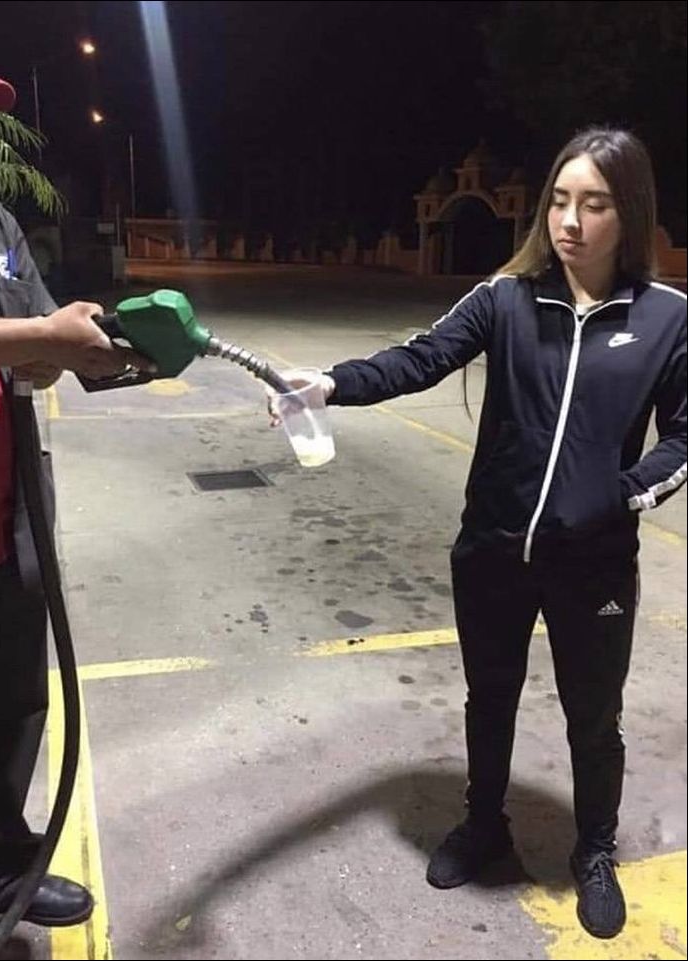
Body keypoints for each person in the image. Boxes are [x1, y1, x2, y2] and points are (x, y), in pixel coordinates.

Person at [273, 127, 686, 940]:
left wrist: (620, 496)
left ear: (630, 212)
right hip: (493, 548)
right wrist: (329, 384)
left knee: (593, 715)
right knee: (488, 695)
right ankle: (485, 822)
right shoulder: (506, 297)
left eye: (594, 204)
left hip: (595, 563)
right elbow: (419, 357)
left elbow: (683, 434)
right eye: (559, 201)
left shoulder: (668, 318)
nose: (570, 222)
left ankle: (594, 849)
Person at [0, 3, 150, 958]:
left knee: (9, 703)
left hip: (6, 518)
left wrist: (86, 348)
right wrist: (37, 336)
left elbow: (34, 345)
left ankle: (3, 863)